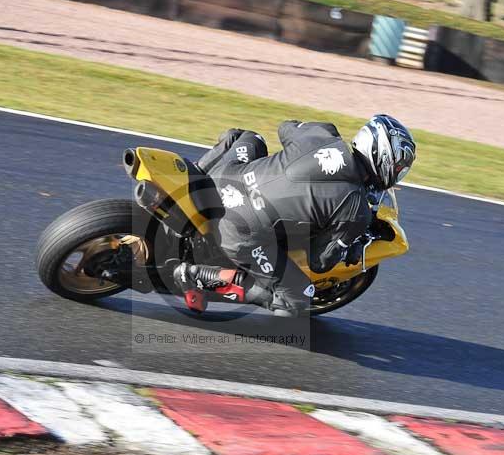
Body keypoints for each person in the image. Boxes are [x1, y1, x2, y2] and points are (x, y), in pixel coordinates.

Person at [173, 115, 416, 317]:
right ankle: (197, 277)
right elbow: (319, 261)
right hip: (239, 230)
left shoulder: (323, 134)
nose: (398, 174)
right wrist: (351, 245)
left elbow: (285, 127)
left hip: (226, 177)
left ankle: (191, 181)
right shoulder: (356, 210)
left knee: (249, 138)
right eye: (398, 167)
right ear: (382, 157)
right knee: (296, 299)